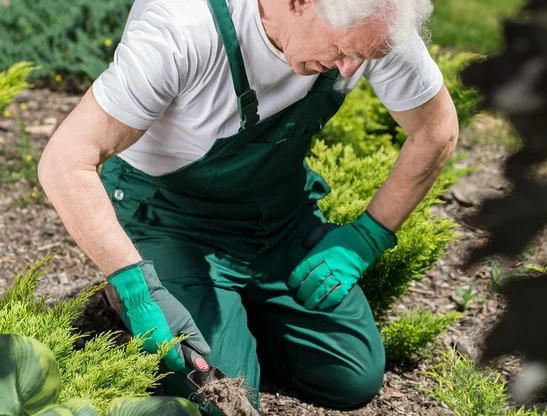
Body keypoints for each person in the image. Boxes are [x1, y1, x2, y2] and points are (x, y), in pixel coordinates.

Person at [38, 0, 459, 412]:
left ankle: (234, 310)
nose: (351, 68)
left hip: (278, 216)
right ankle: (145, 292)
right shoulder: (183, 27)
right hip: (171, 219)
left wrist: (367, 237)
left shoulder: (371, 25)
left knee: (351, 378)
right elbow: (65, 160)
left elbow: (436, 130)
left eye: (361, 56)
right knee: (221, 399)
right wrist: (138, 291)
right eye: (343, 51)